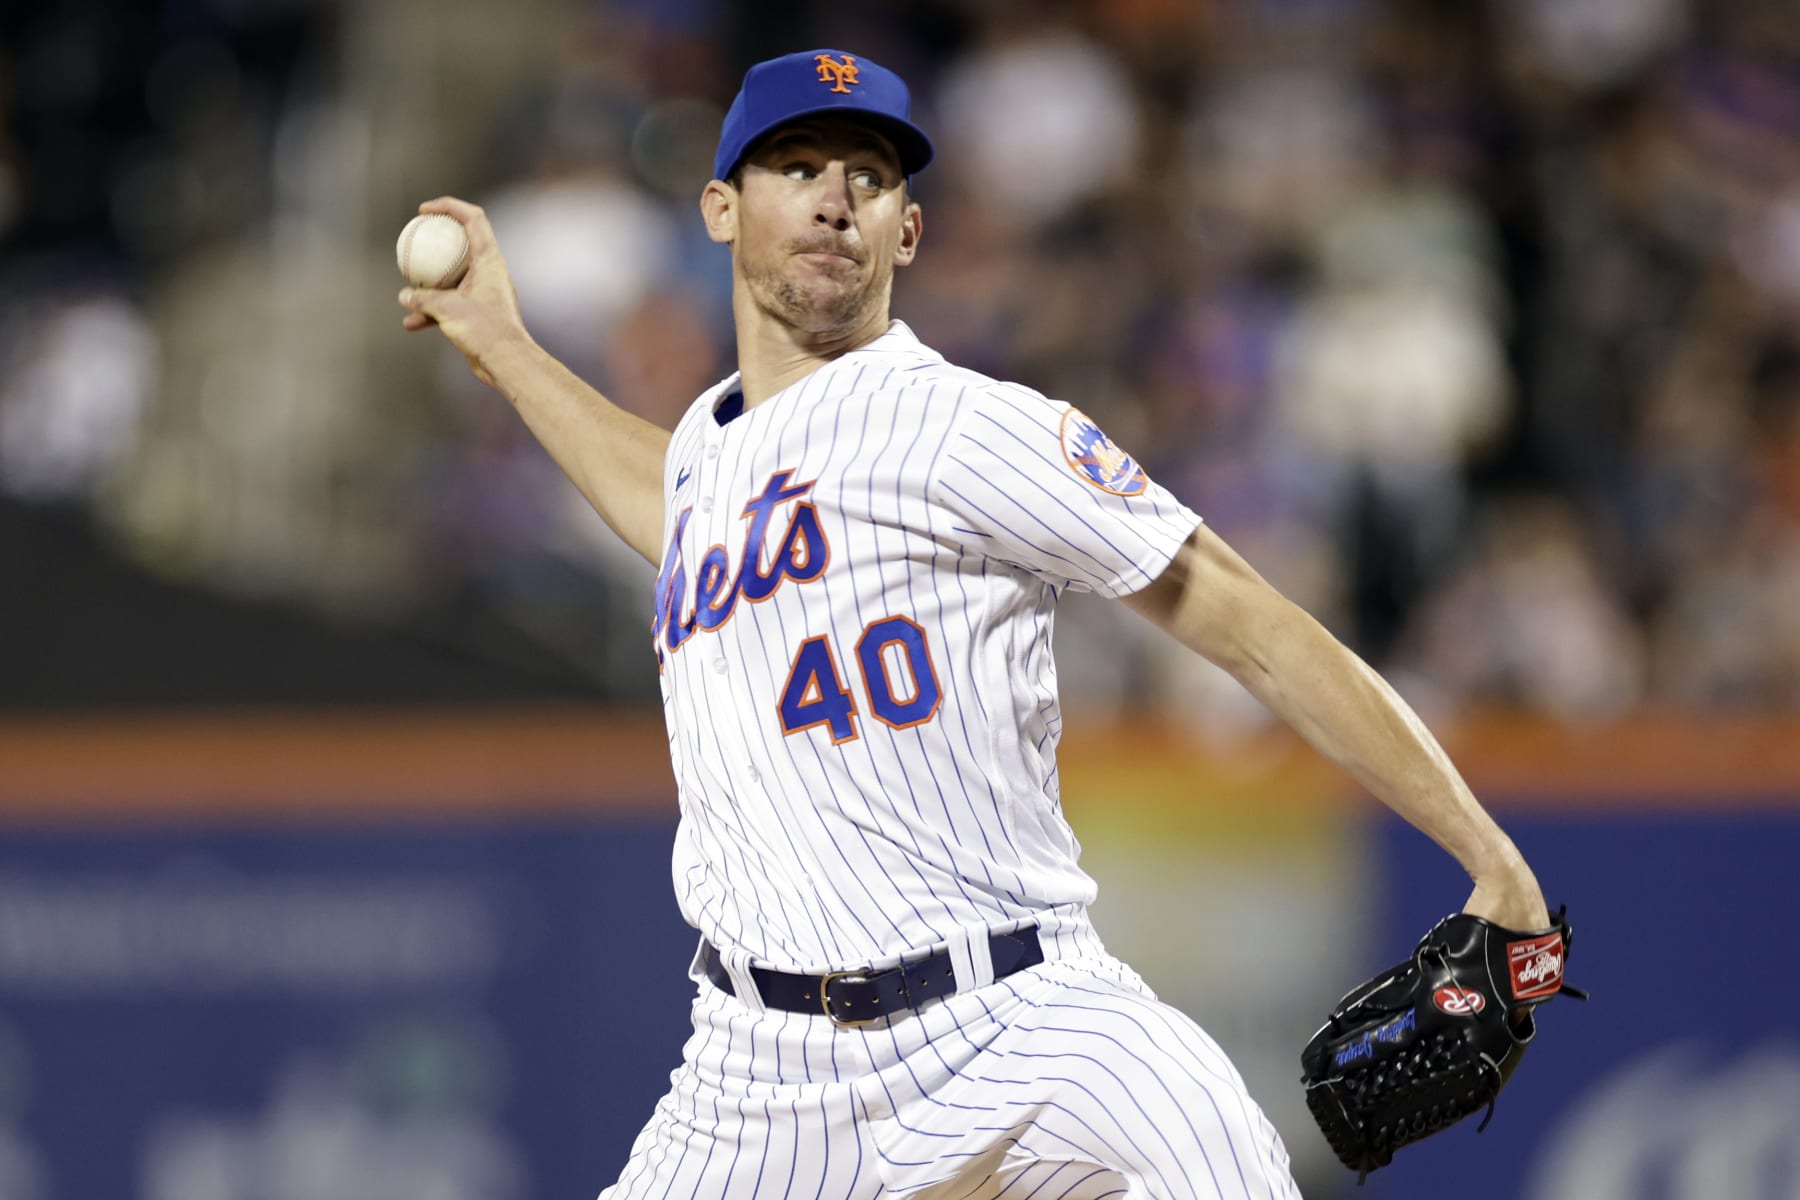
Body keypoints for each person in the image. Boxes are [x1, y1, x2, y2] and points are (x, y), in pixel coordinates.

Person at [399, 47, 1552, 1200]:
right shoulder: (711, 447)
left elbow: (1248, 620)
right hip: (750, 1075)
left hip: (1016, 1023)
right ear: (719, 208)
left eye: (869, 175)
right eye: (794, 165)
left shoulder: (965, 427)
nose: (833, 196)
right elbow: (675, 505)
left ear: (906, 230)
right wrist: (504, 347)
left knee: (1217, 1154)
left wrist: (1493, 862)